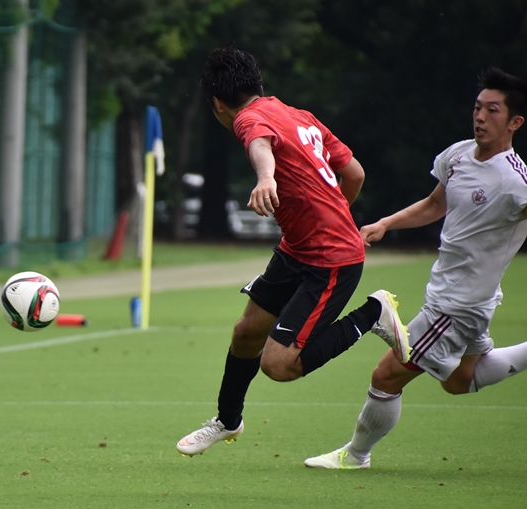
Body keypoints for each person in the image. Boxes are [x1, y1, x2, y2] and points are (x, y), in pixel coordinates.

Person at [176, 45, 410, 456]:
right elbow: (354, 173)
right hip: (298, 249)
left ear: (217, 103)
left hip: (330, 261)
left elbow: (260, 146)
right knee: (247, 333)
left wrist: (266, 179)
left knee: (278, 365)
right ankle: (228, 421)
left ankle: (375, 312)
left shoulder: (248, 119)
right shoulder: (298, 115)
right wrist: (329, 214)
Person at [305, 67, 527, 469]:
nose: (480, 117)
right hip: (464, 296)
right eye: (478, 107)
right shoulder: (458, 155)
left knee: (386, 376)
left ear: (515, 122)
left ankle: (355, 455)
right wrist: (386, 223)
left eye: (493, 111)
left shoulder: (515, 182)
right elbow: (434, 205)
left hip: (457, 304)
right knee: (459, 381)